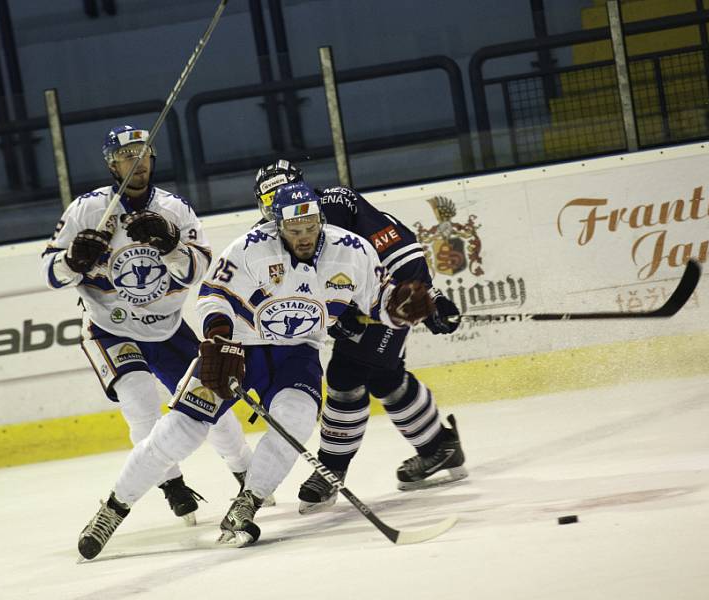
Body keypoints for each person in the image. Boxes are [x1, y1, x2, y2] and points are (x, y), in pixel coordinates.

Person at [75, 182, 436, 558]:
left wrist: (398, 307)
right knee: (178, 432)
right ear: (277, 224)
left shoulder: (353, 251)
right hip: (240, 349)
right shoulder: (250, 247)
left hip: (297, 356)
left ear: (320, 220)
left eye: (311, 227)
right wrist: (218, 338)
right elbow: (214, 294)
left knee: (294, 423)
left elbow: (377, 300)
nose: (304, 237)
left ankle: (247, 503)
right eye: (295, 230)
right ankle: (113, 509)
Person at [41, 124, 254, 525]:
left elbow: (199, 271)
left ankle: (245, 470)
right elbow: (50, 273)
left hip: (167, 327)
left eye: (143, 152)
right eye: (127, 155)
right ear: (111, 164)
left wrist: (171, 243)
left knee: (213, 405)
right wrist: (73, 259)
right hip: (110, 326)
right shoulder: (87, 209)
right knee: (140, 407)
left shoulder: (174, 209)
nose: (137, 161)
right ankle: (171, 485)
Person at [253, 160, 467, 514]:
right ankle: (438, 447)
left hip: (387, 301)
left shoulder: (338, 204)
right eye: (271, 200)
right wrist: (336, 322)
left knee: (346, 376)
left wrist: (428, 298)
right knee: (385, 378)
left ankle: (331, 471)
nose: (283, 209)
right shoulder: (262, 240)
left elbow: (401, 248)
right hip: (352, 315)